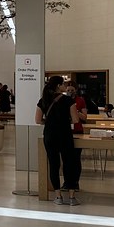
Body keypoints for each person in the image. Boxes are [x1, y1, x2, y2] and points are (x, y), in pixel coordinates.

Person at [36, 75, 82, 205]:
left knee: (54, 164)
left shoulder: (43, 100)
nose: (65, 86)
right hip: (65, 134)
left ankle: (58, 196)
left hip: (50, 134)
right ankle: (72, 197)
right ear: (58, 86)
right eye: (63, 84)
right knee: (69, 163)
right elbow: (75, 120)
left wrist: (50, 121)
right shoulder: (68, 100)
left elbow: (38, 120)